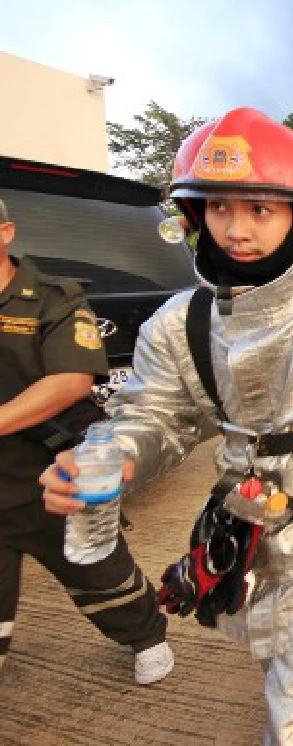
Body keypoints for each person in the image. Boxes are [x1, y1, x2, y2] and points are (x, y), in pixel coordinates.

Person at [39, 108, 293, 744]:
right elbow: (153, 415)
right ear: (195, 216)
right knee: (290, 655)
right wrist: (117, 456)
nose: (237, 229)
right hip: (243, 530)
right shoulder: (178, 323)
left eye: (260, 209)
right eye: (218, 208)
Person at [0, 198, 172, 684]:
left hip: (47, 474)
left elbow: (71, 380)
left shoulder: (51, 297)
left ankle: (147, 637)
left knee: (99, 573)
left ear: (6, 232)